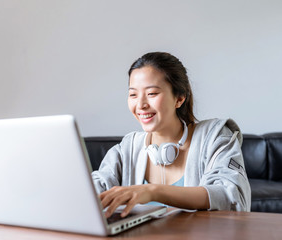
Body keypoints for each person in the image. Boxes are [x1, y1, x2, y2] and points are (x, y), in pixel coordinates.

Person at [91, 52, 251, 218]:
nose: (140, 105)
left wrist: (152, 191)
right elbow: (94, 189)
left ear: (179, 98)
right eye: (133, 94)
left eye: (152, 93)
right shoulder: (128, 147)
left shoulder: (215, 137)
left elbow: (231, 196)